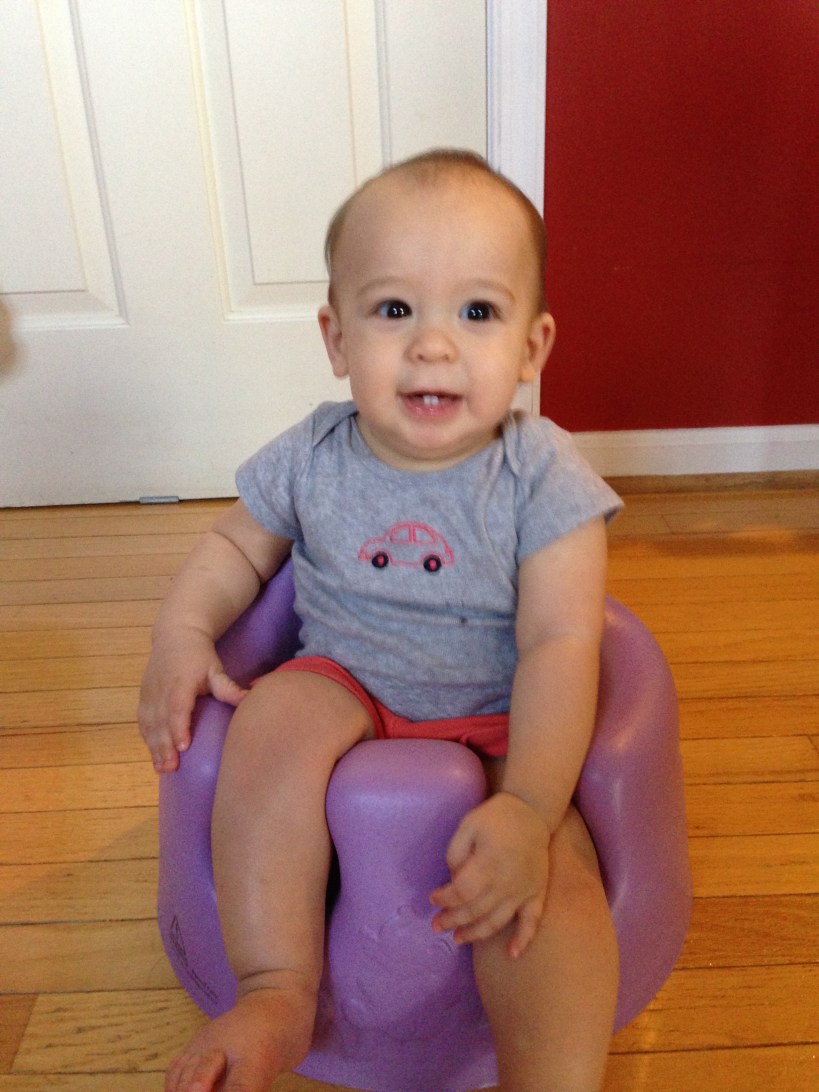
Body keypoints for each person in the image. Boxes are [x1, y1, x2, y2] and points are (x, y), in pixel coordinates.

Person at [139, 149, 623, 1092]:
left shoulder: (544, 475)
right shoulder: (312, 452)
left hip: (496, 720)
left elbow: (561, 643)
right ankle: (275, 986)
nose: (432, 345)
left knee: (548, 884)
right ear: (335, 337)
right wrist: (183, 633)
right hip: (346, 683)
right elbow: (234, 548)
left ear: (531, 348)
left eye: (476, 313)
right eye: (394, 309)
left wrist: (528, 806)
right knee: (269, 723)